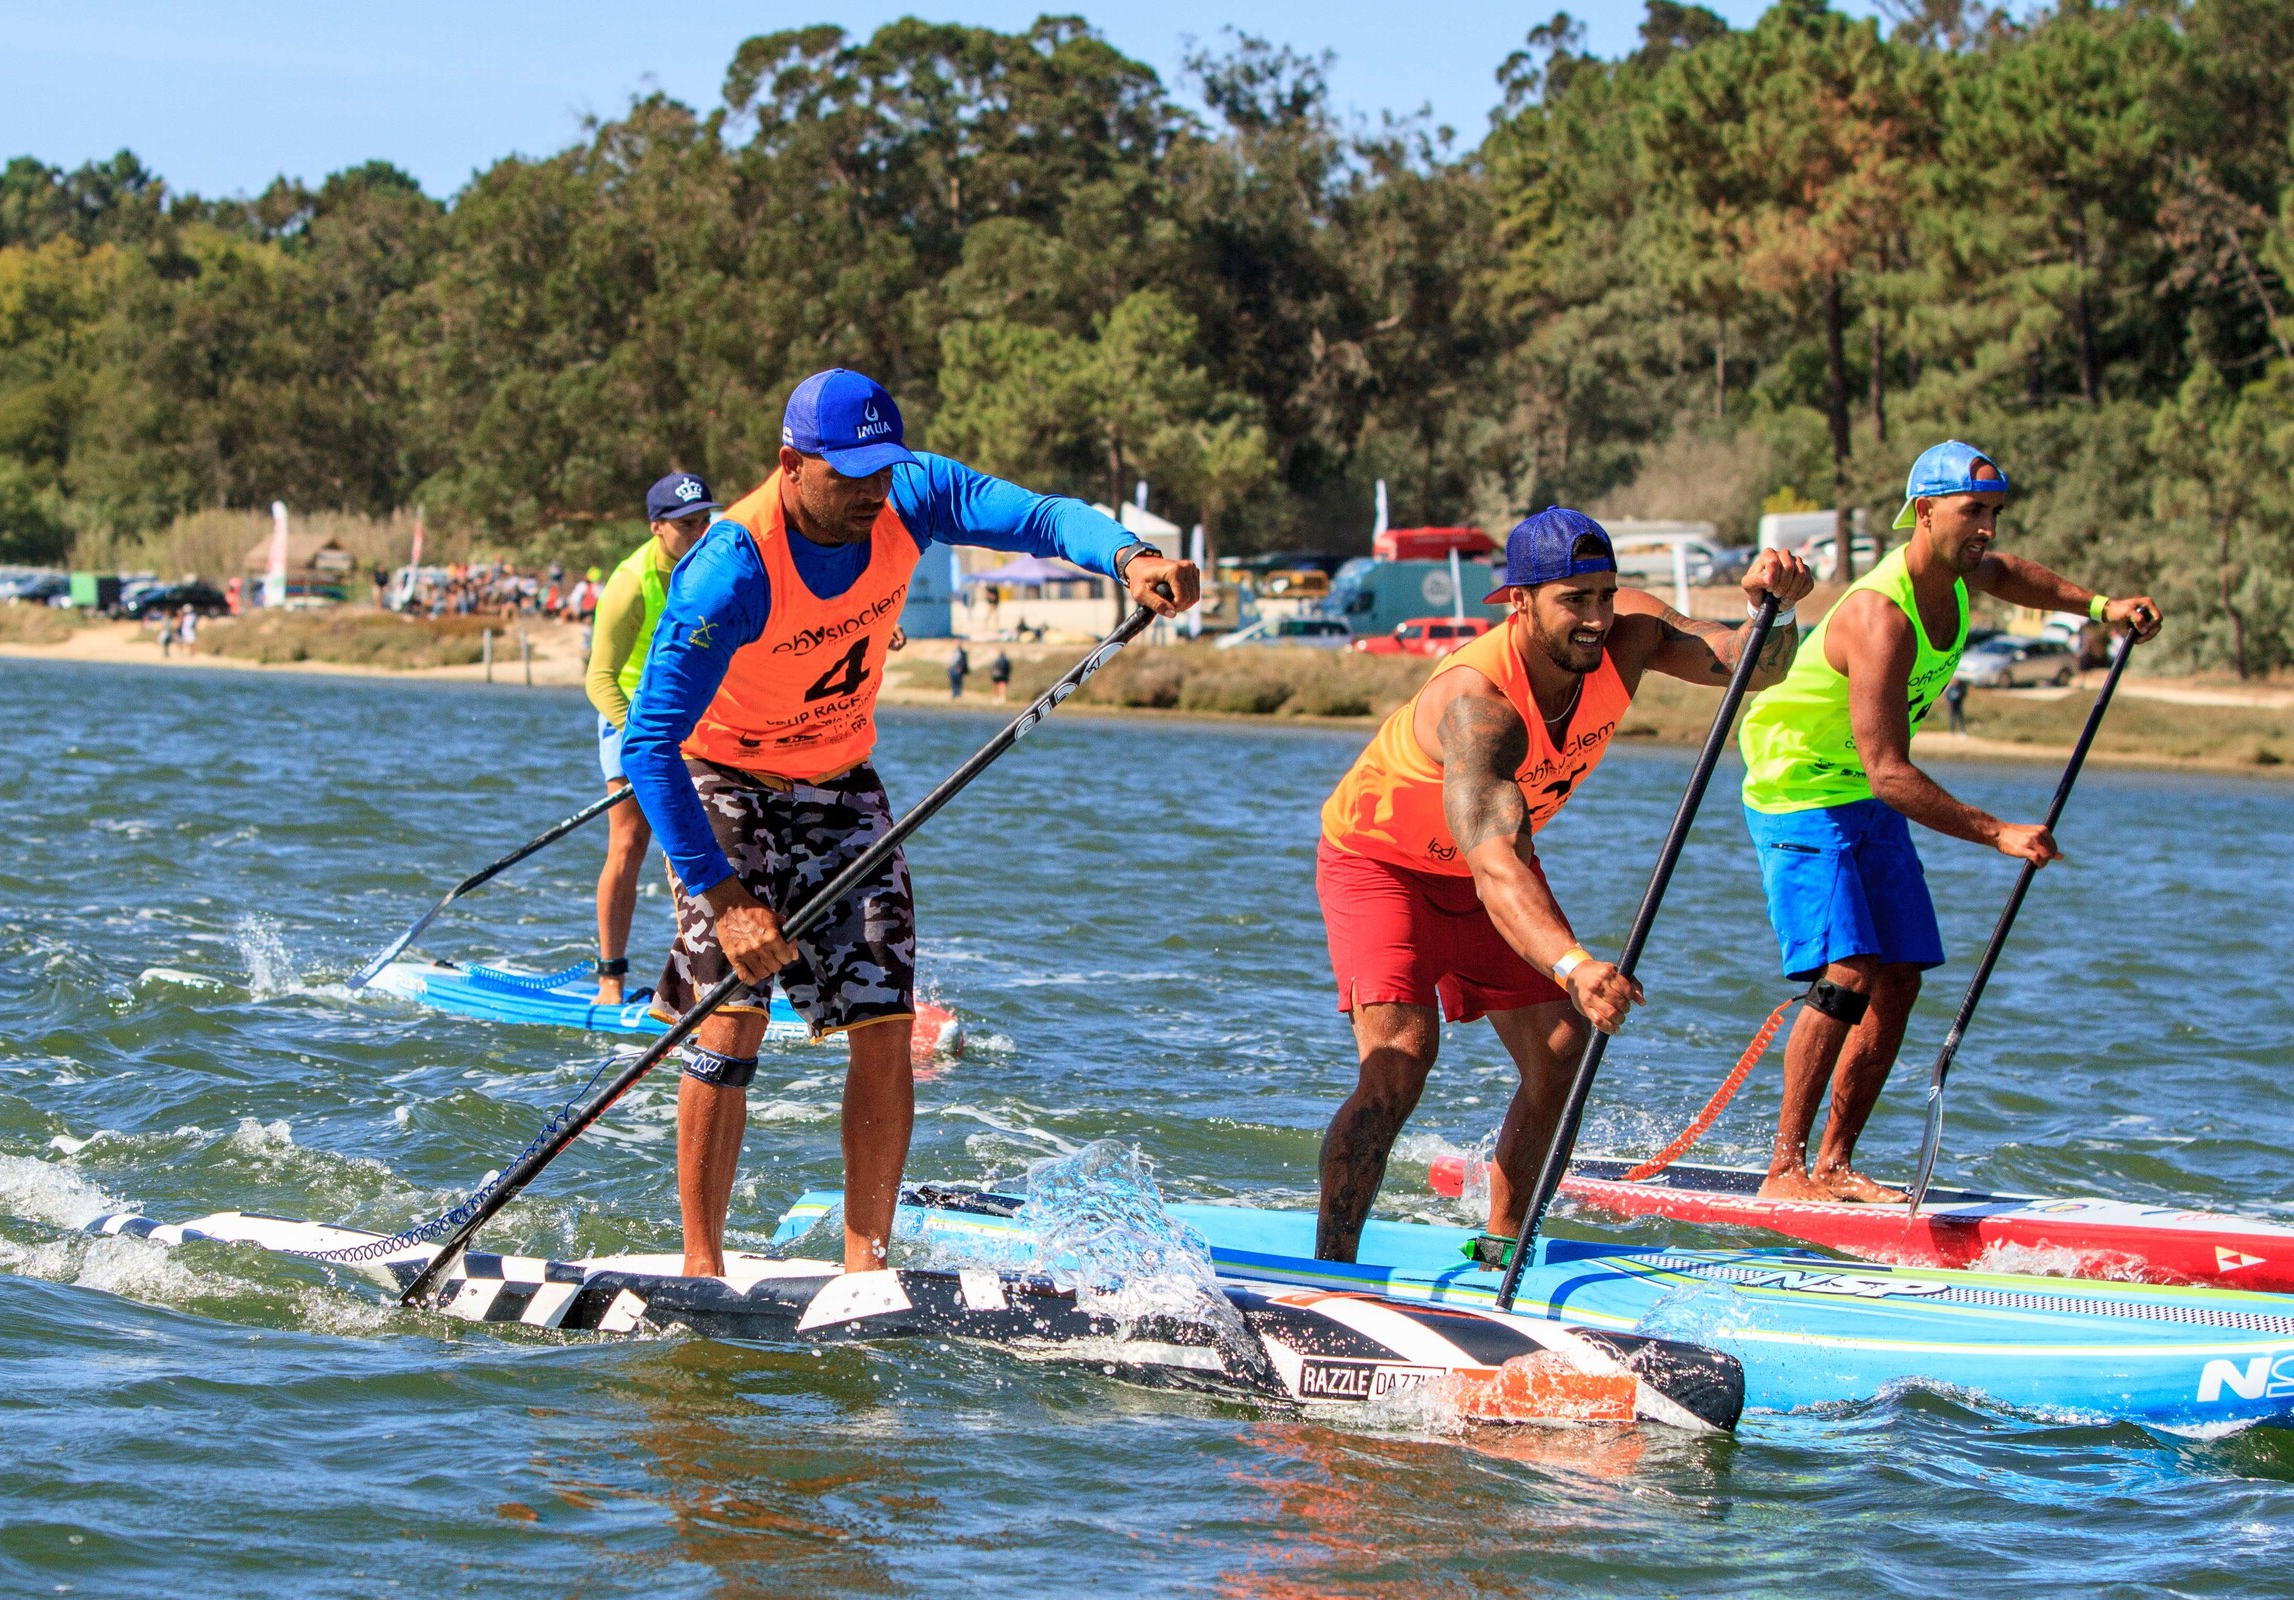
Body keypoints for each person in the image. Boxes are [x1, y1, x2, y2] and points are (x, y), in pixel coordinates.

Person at [621, 368, 1199, 1279]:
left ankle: (866, 1269)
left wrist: (1130, 559)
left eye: (883, 469)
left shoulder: (910, 494)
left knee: (886, 1022)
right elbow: (647, 747)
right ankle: (702, 1265)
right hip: (723, 784)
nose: (873, 490)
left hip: (843, 783)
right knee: (731, 1018)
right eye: (849, 473)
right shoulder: (729, 571)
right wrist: (723, 895)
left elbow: (1046, 519)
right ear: (791, 463)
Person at [1311, 508, 1814, 1264]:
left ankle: (1501, 1249)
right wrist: (1575, 965)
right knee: (1403, 1057)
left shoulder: (1632, 636)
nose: (1595, 618)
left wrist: (1772, 605)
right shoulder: (1479, 707)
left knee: (1559, 1046)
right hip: (1384, 865)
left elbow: (1756, 665)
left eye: (1605, 594)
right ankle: (1331, 1273)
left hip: (1485, 861)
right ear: (1518, 601)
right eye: (1571, 600)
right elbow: (1498, 865)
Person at [1738, 441, 2163, 1203]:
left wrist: (2104, 607)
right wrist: (1997, 831)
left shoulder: (1966, 575)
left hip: (1864, 791)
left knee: (1899, 978)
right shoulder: (1878, 615)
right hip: (1797, 784)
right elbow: (1890, 772)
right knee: (1849, 970)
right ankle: (1784, 1172)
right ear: (1923, 513)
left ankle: (1834, 1165)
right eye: (1974, 512)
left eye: (1996, 513)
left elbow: (2016, 578)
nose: (1988, 529)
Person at [583, 471, 722, 1006]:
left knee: (702, 841)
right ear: (657, 528)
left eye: (705, 520)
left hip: (693, 714)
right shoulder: (627, 582)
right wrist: (645, 737)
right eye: (687, 524)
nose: (700, 531)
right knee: (630, 841)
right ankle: (610, 981)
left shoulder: (713, 566)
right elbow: (598, 678)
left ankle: (702, 978)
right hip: (628, 713)